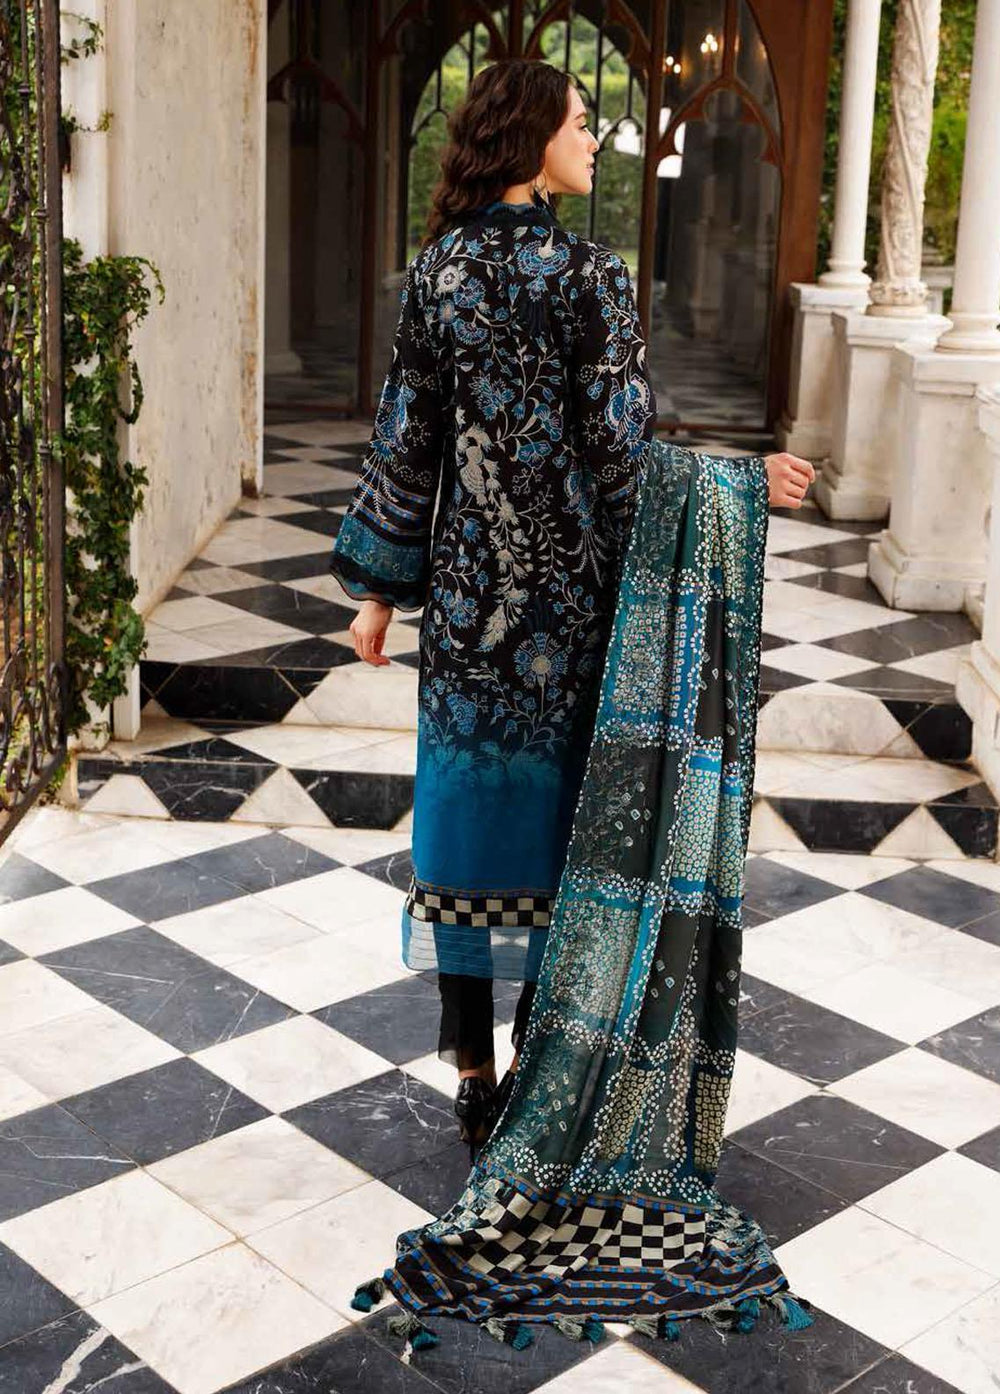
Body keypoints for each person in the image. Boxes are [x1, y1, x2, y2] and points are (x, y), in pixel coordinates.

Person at [332, 58, 817, 1350]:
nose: (595, 137)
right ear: (532, 135)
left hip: (472, 614)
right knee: (568, 849)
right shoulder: (589, 273)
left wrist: (378, 589)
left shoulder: (435, 271)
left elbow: (406, 437)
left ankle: (473, 1073)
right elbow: (620, 454)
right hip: (579, 615)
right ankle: (560, 1085)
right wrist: (739, 480)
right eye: (582, 120)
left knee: (468, 839)